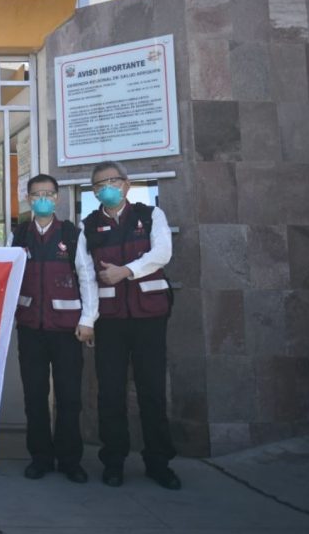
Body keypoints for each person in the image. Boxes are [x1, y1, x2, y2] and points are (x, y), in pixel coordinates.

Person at [83, 161, 180, 490]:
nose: (105, 188)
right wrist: (89, 320)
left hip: (149, 317)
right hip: (110, 322)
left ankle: (158, 462)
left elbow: (163, 253)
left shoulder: (150, 215)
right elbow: (86, 276)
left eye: (111, 181)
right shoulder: (89, 226)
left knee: (151, 390)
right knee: (110, 394)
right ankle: (113, 462)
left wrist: (126, 271)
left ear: (126, 184)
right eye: (98, 184)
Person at [11, 173, 97, 484]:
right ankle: (41, 458)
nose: (42, 199)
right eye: (36, 194)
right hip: (31, 328)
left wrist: (88, 320)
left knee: (69, 397)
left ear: (57, 198)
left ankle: (70, 460)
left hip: (67, 330)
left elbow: (87, 278)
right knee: (35, 396)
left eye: (48, 193)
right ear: (29, 199)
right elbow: (9, 280)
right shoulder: (19, 235)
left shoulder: (73, 234)